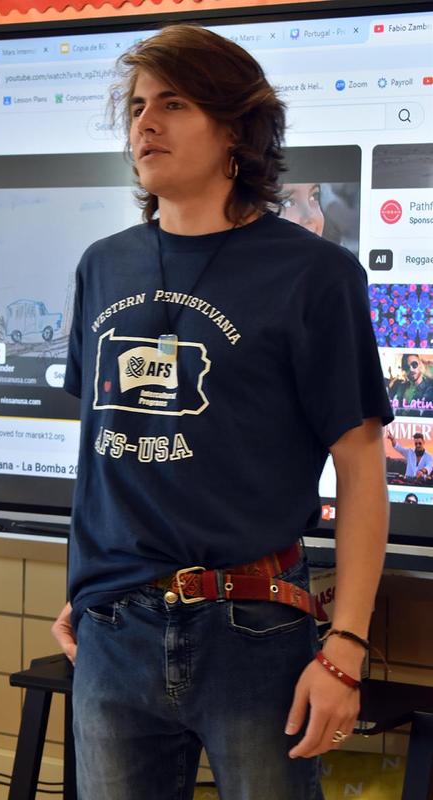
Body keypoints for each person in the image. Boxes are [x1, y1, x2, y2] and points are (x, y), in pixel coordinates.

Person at [52, 24, 392, 800]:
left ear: (236, 127)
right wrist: (82, 586)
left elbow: (362, 468)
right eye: (136, 106)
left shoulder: (315, 275)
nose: (144, 123)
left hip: (256, 630)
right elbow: (104, 453)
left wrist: (344, 650)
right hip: (111, 633)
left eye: (172, 103)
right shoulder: (102, 264)